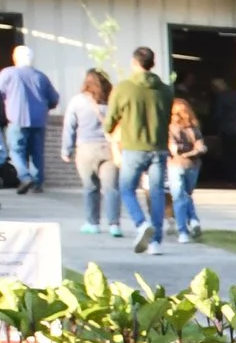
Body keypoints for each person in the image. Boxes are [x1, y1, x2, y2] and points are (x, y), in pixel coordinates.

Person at [106, 46, 173, 254]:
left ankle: (141, 223)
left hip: (134, 147)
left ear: (134, 62)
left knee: (126, 188)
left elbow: (110, 120)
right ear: (153, 64)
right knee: (156, 193)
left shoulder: (124, 88)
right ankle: (156, 243)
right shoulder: (166, 90)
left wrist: (110, 129)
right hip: (159, 147)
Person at [62, 69, 118, 235]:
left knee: (90, 187)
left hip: (86, 149)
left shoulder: (77, 101)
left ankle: (92, 223)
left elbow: (69, 127)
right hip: (109, 149)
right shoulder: (112, 101)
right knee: (111, 188)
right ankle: (114, 225)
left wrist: (66, 149)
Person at [0, 45, 58, 194]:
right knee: (37, 152)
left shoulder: (8, 73)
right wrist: (44, 108)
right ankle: (37, 183)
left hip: (17, 118)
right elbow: (54, 98)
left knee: (16, 151)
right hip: (39, 120)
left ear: (15, 58)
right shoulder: (41, 76)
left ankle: (25, 177)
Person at [165, 97, 206, 243]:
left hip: (175, 165)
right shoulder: (194, 129)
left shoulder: (170, 129)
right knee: (187, 195)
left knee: (178, 198)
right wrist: (191, 153)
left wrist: (182, 152)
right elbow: (201, 147)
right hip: (193, 165)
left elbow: (174, 149)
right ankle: (193, 220)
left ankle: (183, 231)